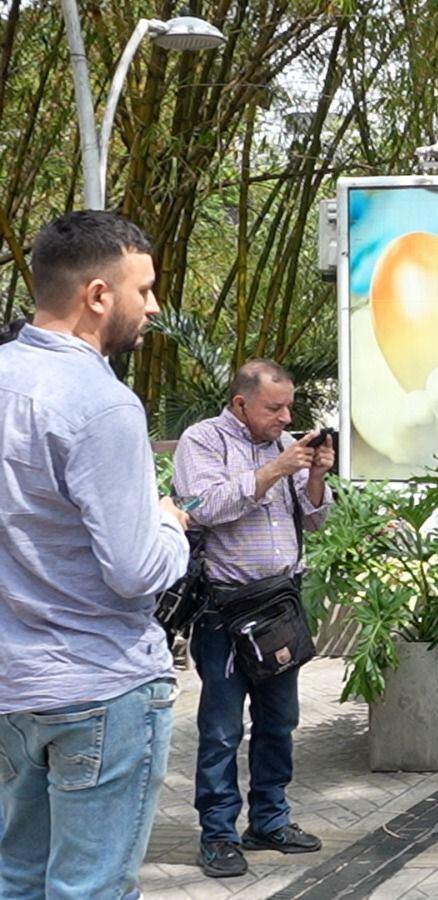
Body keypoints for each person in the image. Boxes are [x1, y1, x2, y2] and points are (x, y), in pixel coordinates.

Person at [0, 210, 191, 898]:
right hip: (99, 689)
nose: (154, 307)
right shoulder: (102, 403)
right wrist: (170, 526)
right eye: (146, 289)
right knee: (90, 889)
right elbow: (136, 571)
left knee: (15, 879)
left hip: (12, 689)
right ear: (99, 296)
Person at [172, 360, 335, 878]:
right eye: (274, 407)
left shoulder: (282, 450)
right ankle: (218, 833)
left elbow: (315, 517)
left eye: (289, 407)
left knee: (279, 721)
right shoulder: (203, 441)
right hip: (226, 610)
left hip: (279, 606)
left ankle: (270, 819)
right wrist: (272, 471)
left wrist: (314, 475)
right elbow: (202, 507)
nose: (285, 417)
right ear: (241, 403)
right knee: (222, 728)